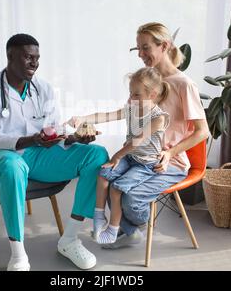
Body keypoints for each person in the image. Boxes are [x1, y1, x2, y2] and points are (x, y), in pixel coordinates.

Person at [0, 34, 109, 271]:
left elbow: (54, 129)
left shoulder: (43, 88)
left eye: (37, 58)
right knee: (13, 167)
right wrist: (31, 139)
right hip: (1, 156)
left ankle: (70, 239)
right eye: (28, 57)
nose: (34, 63)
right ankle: (18, 253)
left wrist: (75, 137)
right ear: (10, 56)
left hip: (39, 154)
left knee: (96, 155)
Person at [76, 22, 209, 249]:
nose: (140, 54)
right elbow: (122, 111)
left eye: (145, 48)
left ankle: (132, 229)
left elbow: (202, 132)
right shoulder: (147, 80)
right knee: (107, 174)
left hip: (169, 163)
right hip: (138, 156)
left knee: (128, 196)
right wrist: (84, 119)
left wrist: (170, 153)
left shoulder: (185, 85)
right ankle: (127, 230)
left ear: (164, 46)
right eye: (138, 48)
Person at [67, 67, 173, 245]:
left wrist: (116, 156)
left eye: (136, 95)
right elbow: (107, 116)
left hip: (146, 164)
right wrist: (83, 118)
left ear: (152, 95)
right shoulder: (132, 108)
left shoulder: (158, 118)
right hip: (130, 157)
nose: (131, 98)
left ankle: (114, 229)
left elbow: (137, 141)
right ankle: (99, 216)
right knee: (103, 174)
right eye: (131, 93)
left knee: (116, 188)